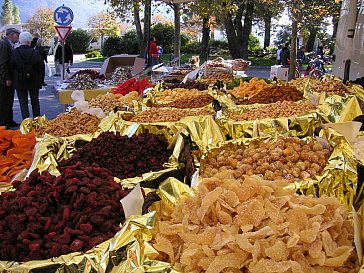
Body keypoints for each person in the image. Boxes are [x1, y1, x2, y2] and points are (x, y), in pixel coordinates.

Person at [10, 32, 44, 120]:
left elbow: (11, 67)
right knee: (35, 102)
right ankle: (37, 122)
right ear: (30, 41)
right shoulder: (35, 53)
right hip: (34, 80)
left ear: (20, 40)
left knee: (23, 103)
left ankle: (26, 124)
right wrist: (41, 79)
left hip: (20, 80)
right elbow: (41, 67)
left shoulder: (15, 53)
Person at [0, 27, 20, 129]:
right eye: (17, 35)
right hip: (4, 79)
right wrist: (6, 78)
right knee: (4, 101)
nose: (18, 37)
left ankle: (9, 120)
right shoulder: (4, 45)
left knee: (9, 100)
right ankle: (3, 123)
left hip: (8, 77)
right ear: (11, 35)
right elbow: (3, 63)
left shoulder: (8, 44)